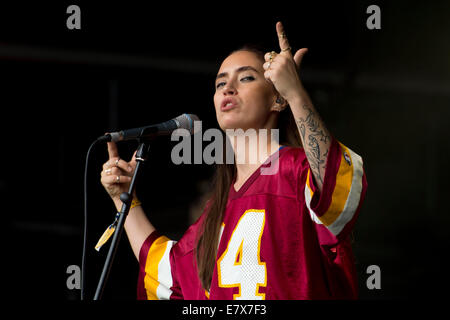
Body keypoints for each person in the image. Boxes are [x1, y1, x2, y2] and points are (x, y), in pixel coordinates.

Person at [100, 22, 367, 300]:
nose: (228, 88)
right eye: (220, 83)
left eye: (247, 78)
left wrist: (295, 93)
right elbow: (167, 272)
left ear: (276, 99)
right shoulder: (217, 211)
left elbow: (338, 191)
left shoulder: (296, 171)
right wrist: (124, 199)